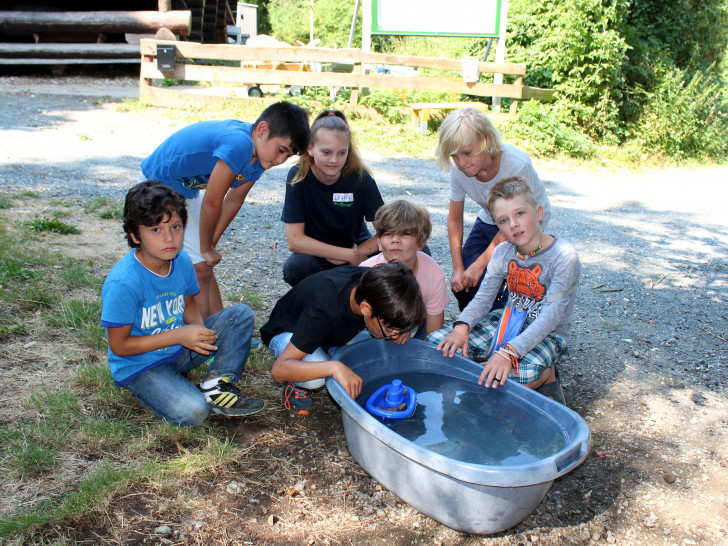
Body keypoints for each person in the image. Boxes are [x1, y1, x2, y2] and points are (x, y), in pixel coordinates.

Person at [101, 181, 264, 427]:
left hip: (178, 348)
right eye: (155, 230)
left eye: (176, 227)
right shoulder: (124, 282)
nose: (169, 238)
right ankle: (176, 390)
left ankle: (215, 385)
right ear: (135, 235)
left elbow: (188, 303)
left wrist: (200, 333)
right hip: (141, 365)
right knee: (194, 412)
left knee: (239, 315)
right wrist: (179, 335)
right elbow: (120, 346)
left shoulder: (182, 261)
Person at [140, 101, 310, 318]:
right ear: (262, 130)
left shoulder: (260, 158)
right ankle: (203, 338)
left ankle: (223, 328)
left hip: (184, 193)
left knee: (203, 265)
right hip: (156, 185)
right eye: (281, 151)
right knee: (198, 267)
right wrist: (204, 247)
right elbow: (212, 201)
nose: (280, 160)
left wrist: (209, 245)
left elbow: (234, 199)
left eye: (287, 156)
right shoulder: (239, 144)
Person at [427, 176, 580, 404]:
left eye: (520, 214)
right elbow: (483, 300)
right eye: (503, 220)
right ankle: (492, 374)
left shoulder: (564, 257)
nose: (513, 224)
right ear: (498, 227)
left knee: (518, 376)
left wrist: (508, 353)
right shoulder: (502, 252)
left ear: (538, 213)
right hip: (507, 321)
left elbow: (551, 317)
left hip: (549, 333)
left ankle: (547, 374)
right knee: (437, 344)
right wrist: (461, 327)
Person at [260, 262, 425, 415]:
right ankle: (296, 383)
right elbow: (279, 370)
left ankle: (329, 354)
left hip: (328, 334)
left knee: (383, 351)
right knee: (316, 377)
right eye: (389, 329)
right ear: (366, 309)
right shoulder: (324, 310)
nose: (392, 335)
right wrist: (334, 367)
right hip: (288, 332)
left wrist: (403, 329)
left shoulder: (375, 287)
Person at [434, 107, 552, 311]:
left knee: (500, 276)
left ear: (486, 140)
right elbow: (454, 219)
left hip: (525, 223)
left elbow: (513, 223)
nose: (461, 162)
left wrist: (479, 265)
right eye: (454, 156)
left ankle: (507, 321)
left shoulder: (516, 165)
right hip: (491, 218)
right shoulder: (459, 172)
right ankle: (473, 320)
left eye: (467, 153)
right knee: (463, 282)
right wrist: (458, 268)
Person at [281, 109, 384, 287]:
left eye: (341, 153)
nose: (334, 160)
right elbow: (295, 240)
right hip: (317, 254)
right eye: (326, 152)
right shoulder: (299, 176)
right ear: (310, 149)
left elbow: (388, 230)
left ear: (348, 151)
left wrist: (357, 252)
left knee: (413, 252)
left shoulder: (360, 178)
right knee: (296, 267)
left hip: (356, 248)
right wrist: (346, 255)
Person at [360, 199, 448, 338]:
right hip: (373, 327)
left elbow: (434, 333)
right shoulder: (365, 271)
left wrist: (407, 327)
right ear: (379, 243)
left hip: (415, 322)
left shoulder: (434, 275)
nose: (395, 239)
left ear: (420, 243)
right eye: (388, 234)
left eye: (405, 234)